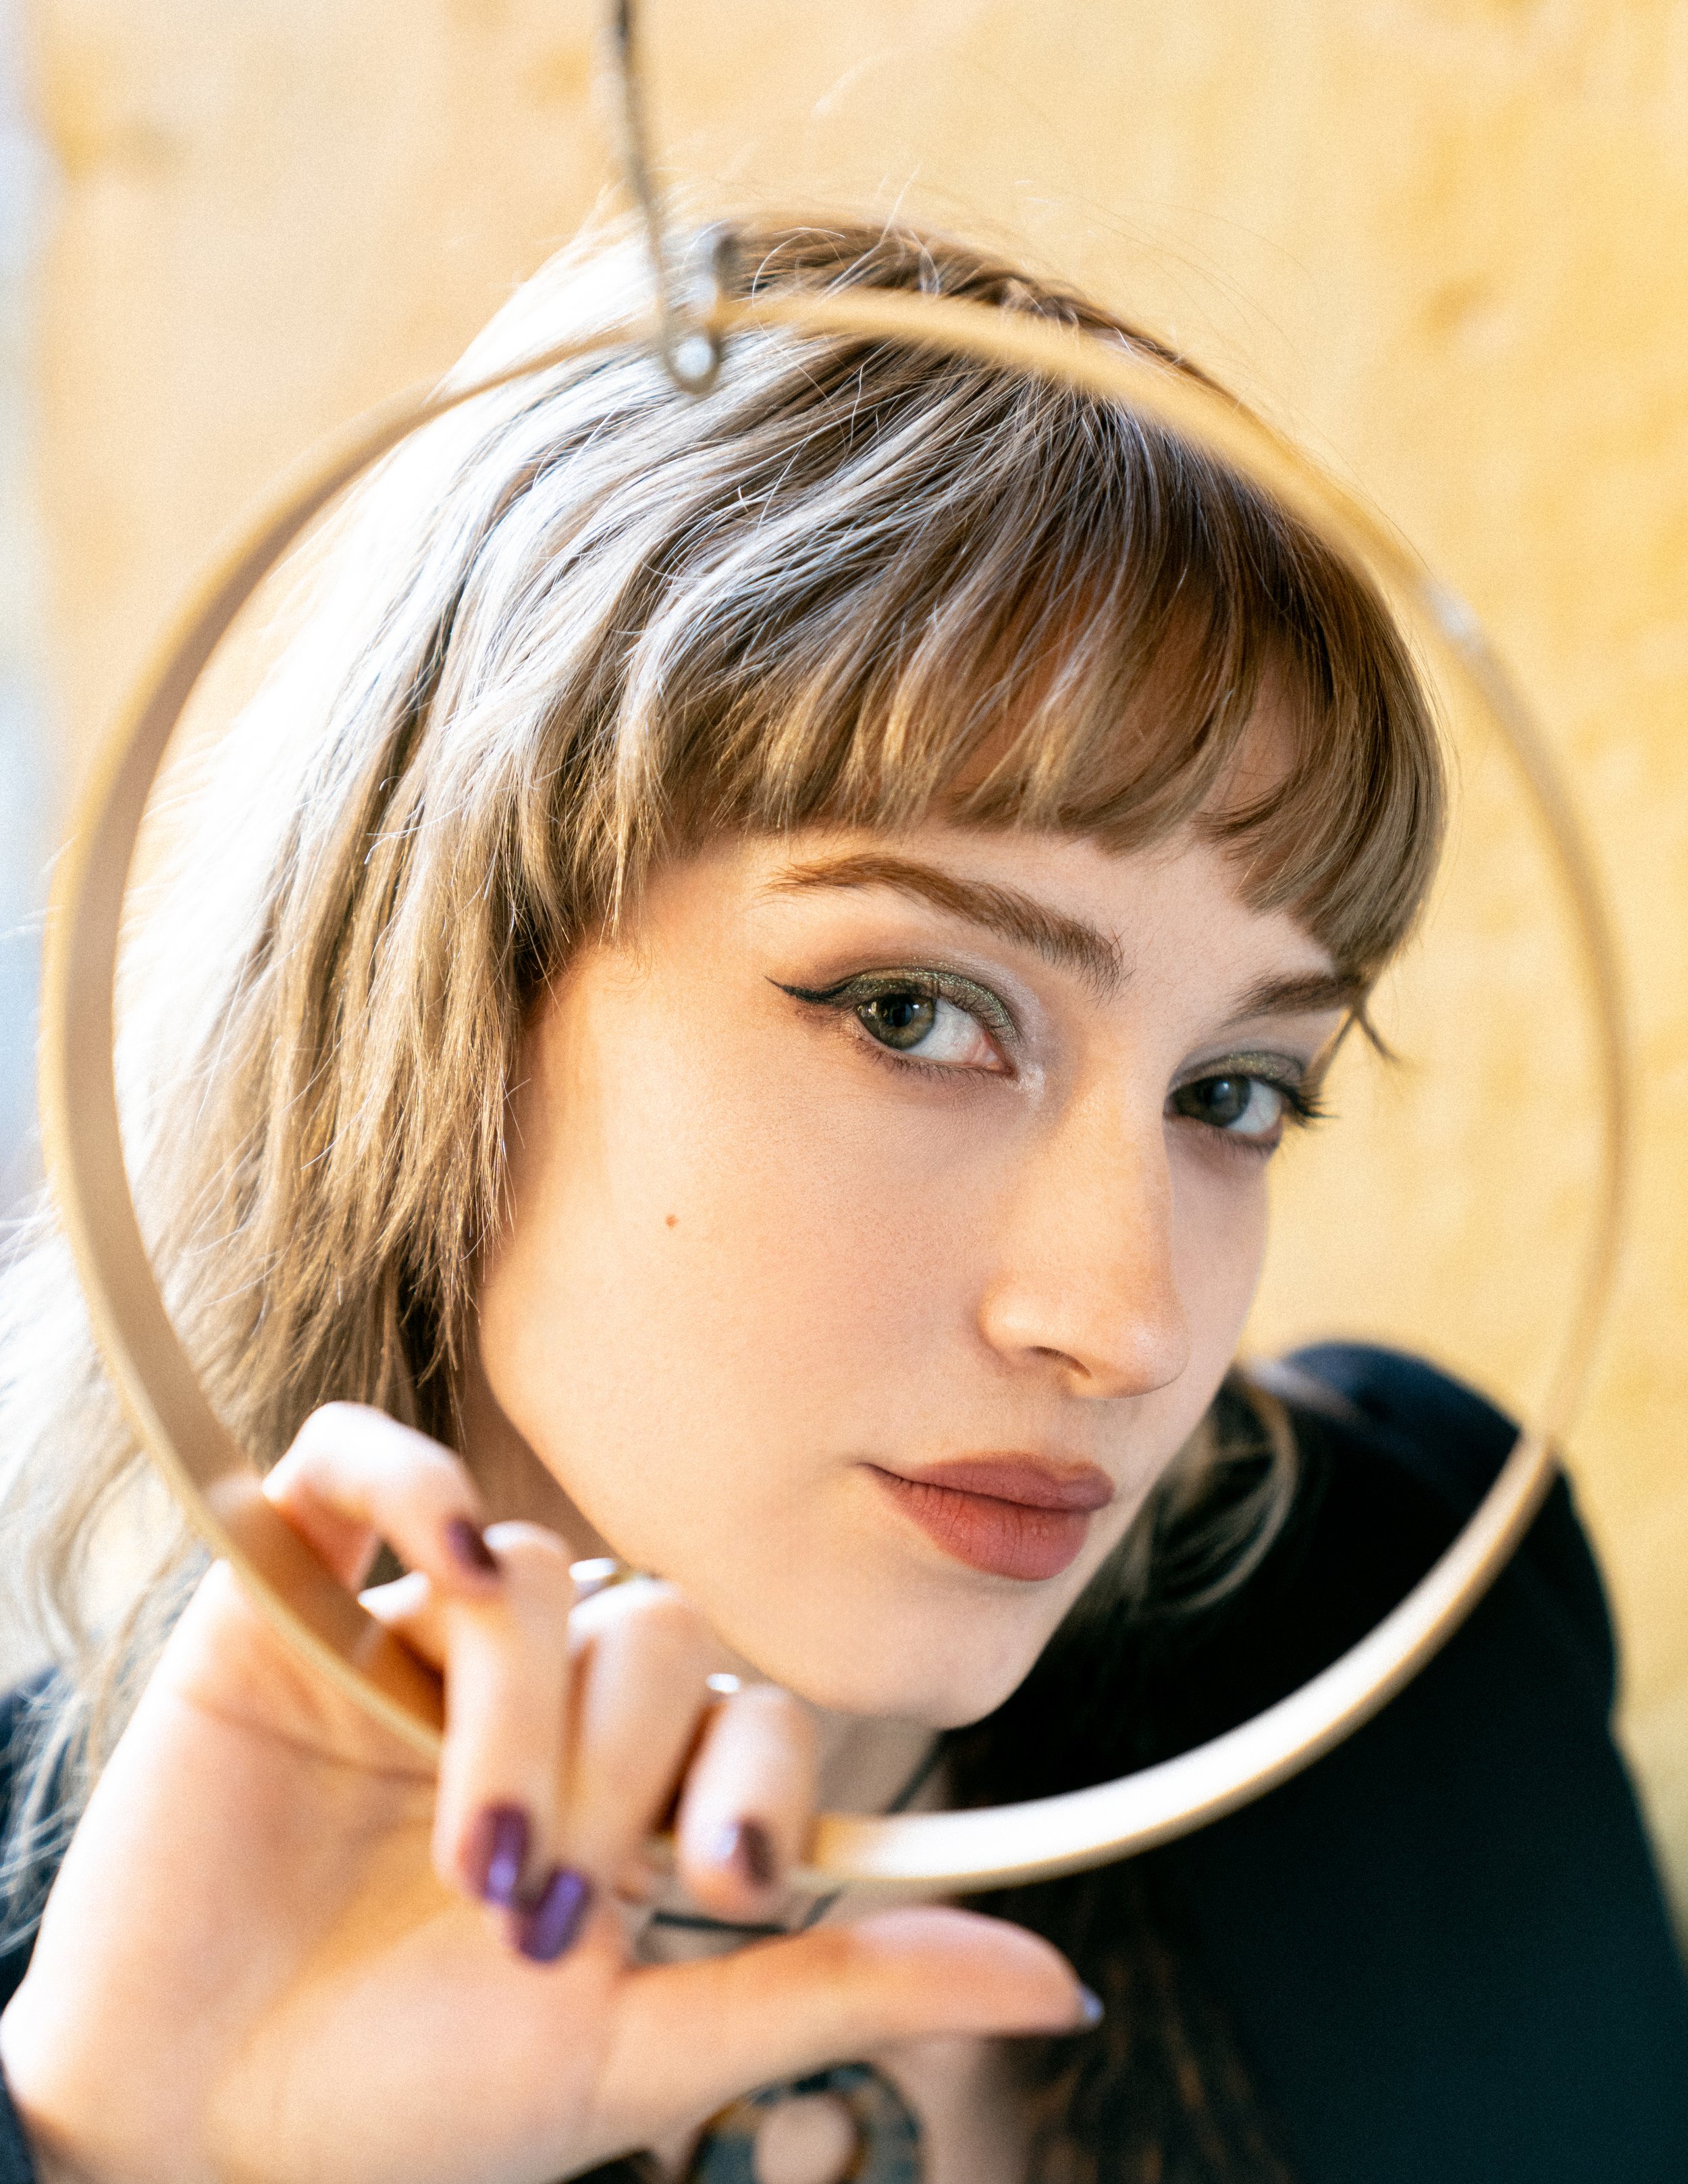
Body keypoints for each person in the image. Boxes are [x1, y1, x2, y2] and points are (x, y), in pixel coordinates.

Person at [0, 220, 1682, 2184]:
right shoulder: (91, 2023)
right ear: (446, 985)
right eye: (913, 1011)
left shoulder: (1396, 1631)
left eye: (1233, 1092)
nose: (1127, 1326)